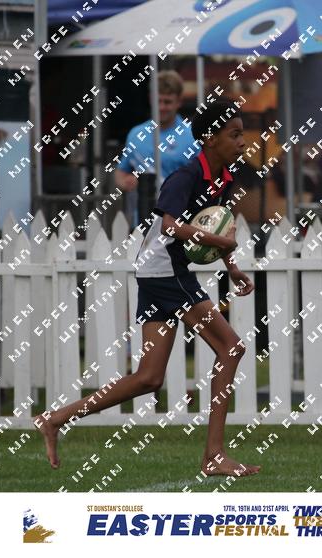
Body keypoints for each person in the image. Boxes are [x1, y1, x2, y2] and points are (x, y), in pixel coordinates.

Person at [35, 100, 261, 478]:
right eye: (234, 134)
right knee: (231, 347)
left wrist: (232, 267)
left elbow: (216, 227)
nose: (242, 142)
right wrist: (220, 243)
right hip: (166, 272)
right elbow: (171, 227)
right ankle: (214, 455)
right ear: (209, 138)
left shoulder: (223, 179)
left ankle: (55, 419)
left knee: (149, 378)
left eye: (242, 134)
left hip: (156, 272)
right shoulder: (185, 176)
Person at [115, 70, 199, 226]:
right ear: (150, 99)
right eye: (158, 101)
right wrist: (126, 181)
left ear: (179, 101)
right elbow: (121, 171)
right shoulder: (136, 134)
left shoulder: (192, 135)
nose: (162, 107)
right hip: (142, 220)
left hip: (180, 222)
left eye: (167, 102)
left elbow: (204, 177)